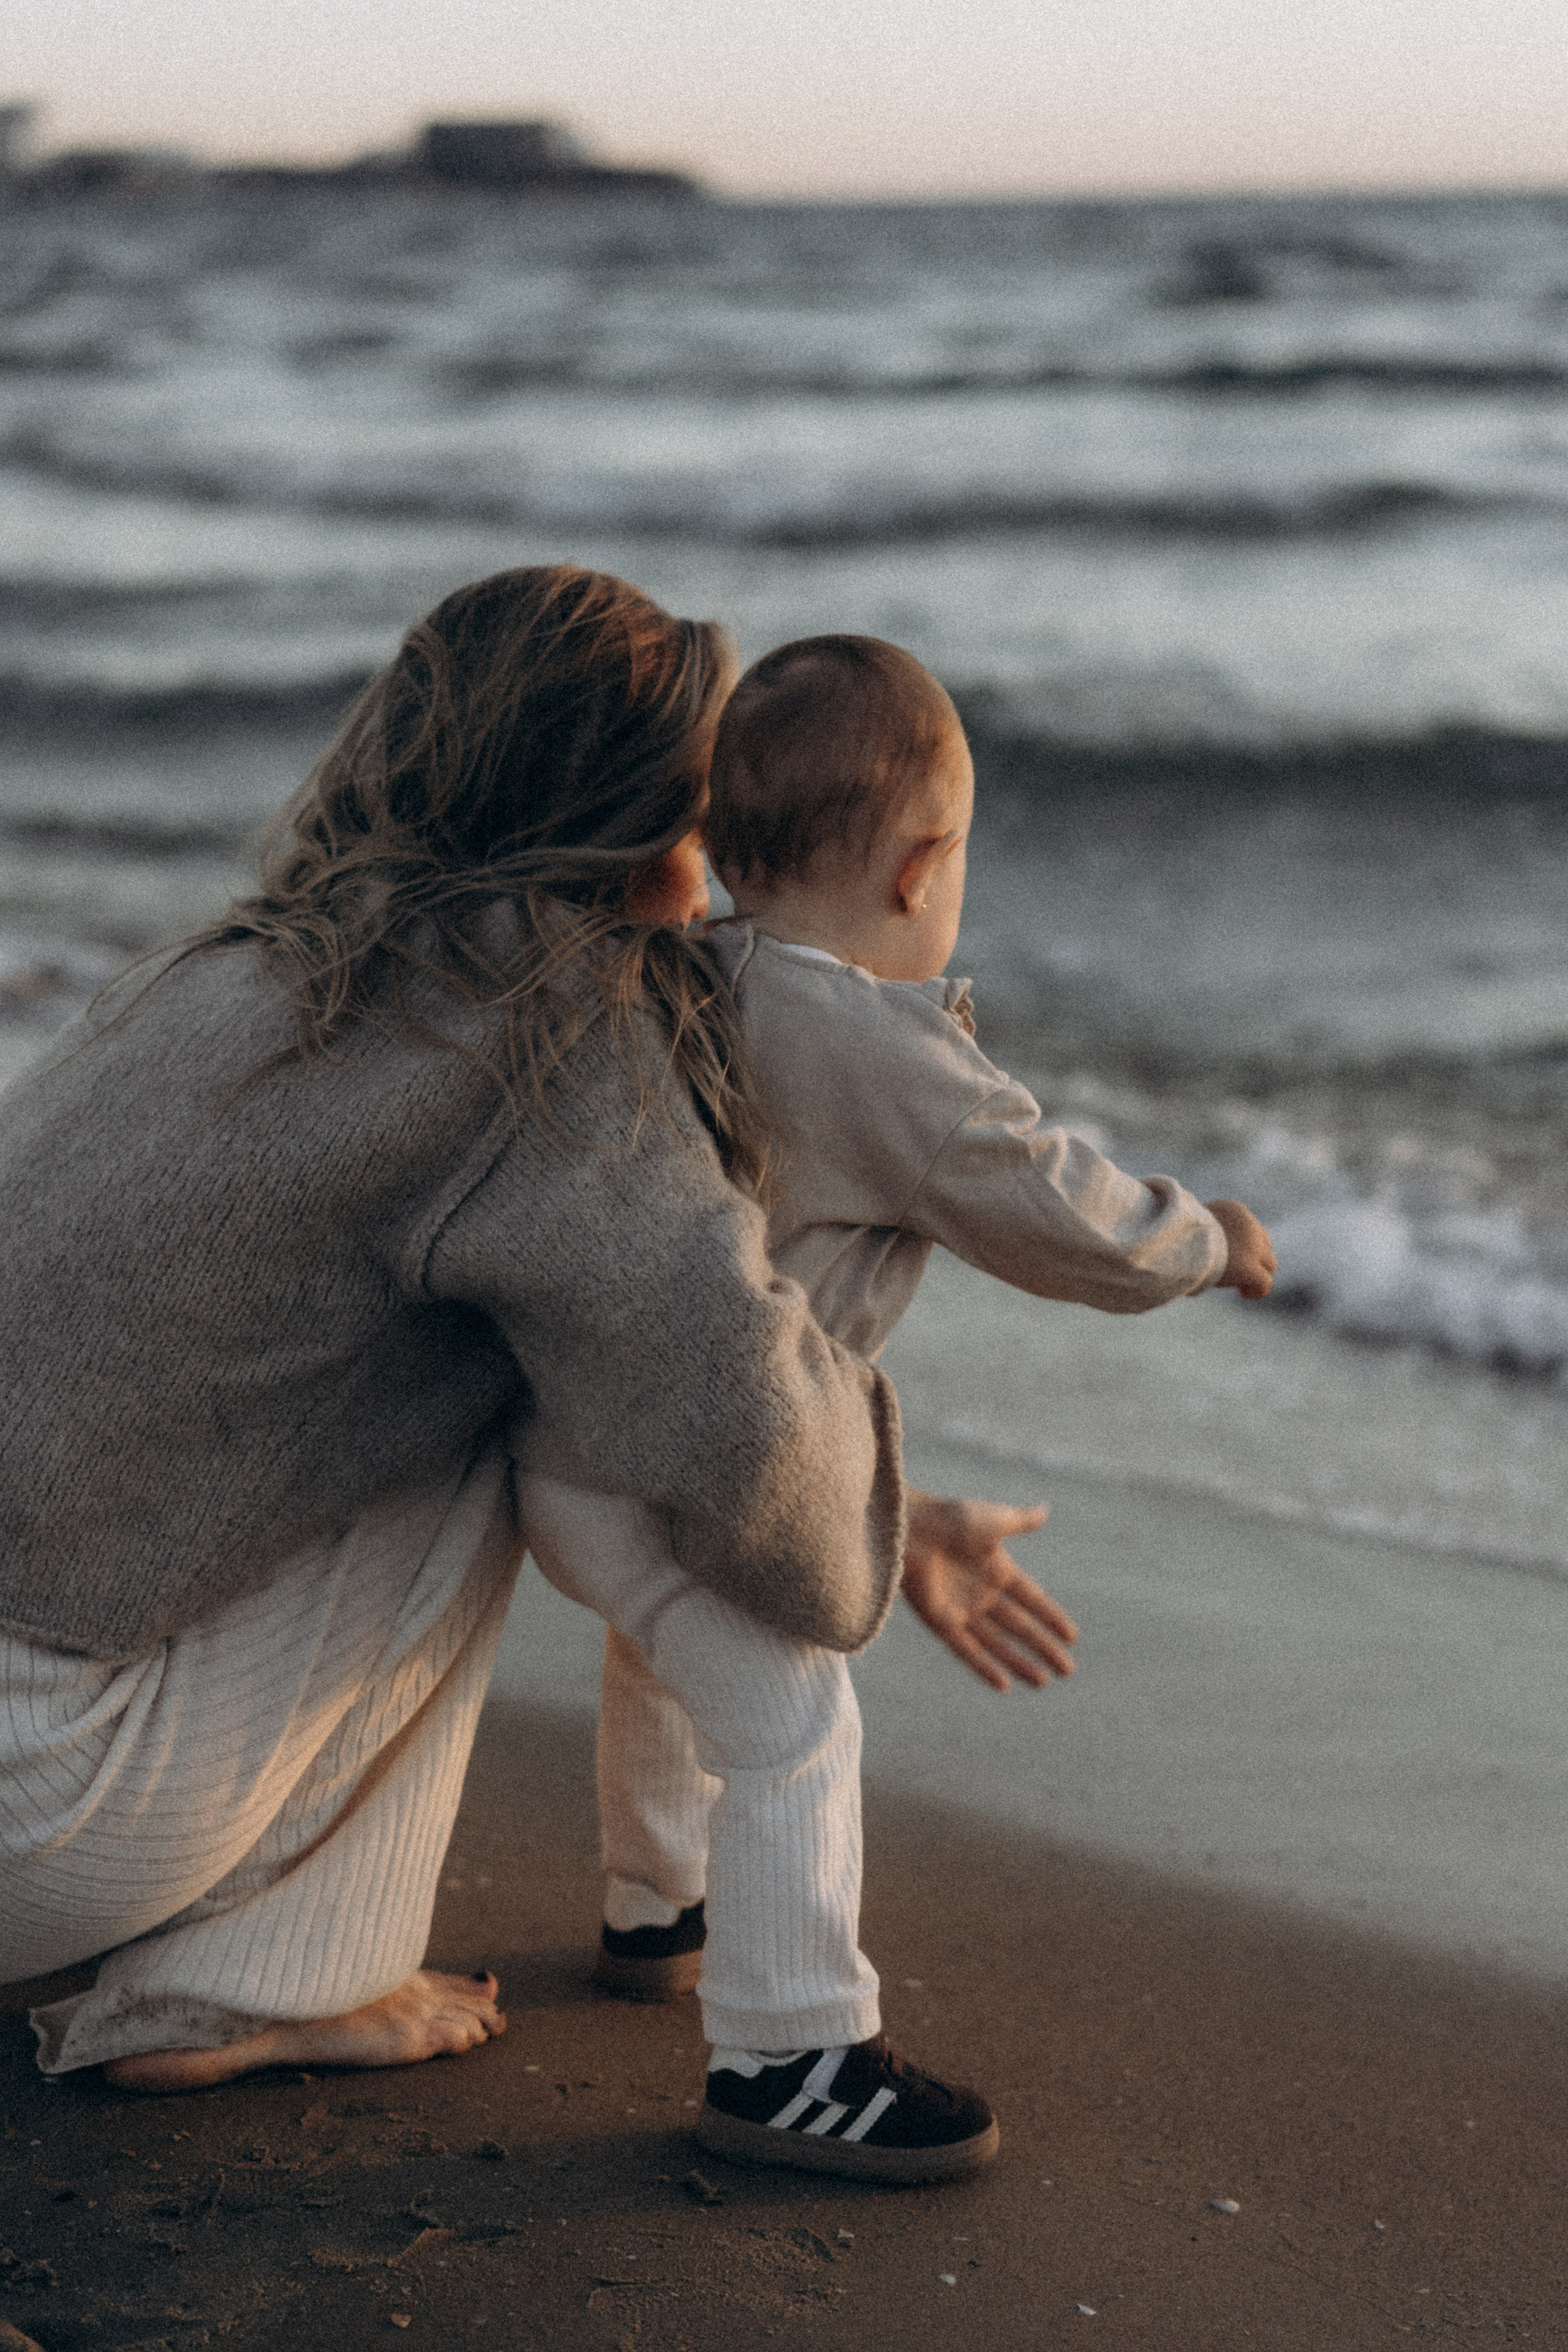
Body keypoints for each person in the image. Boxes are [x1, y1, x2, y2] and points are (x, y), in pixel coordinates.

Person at [0, 568, 921, 2095]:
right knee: (508, 1380)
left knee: (450, 1339)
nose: (707, 883)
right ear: (628, 825)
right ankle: (237, 1987)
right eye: (699, 824)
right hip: (31, 1805)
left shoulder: (236, 966)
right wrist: (881, 1505)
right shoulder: (533, 1026)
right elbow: (741, 1432)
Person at [517, 633, 1276, 2184]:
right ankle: (787, 2055)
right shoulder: (873, 1044)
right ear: (923, 867)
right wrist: (1199, 1238)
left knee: (658, 1651)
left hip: (571, 1444)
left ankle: (656, 1905)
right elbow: (1049, 1206)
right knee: (793, 1715)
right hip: (717, 1465)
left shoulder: (679, 970)